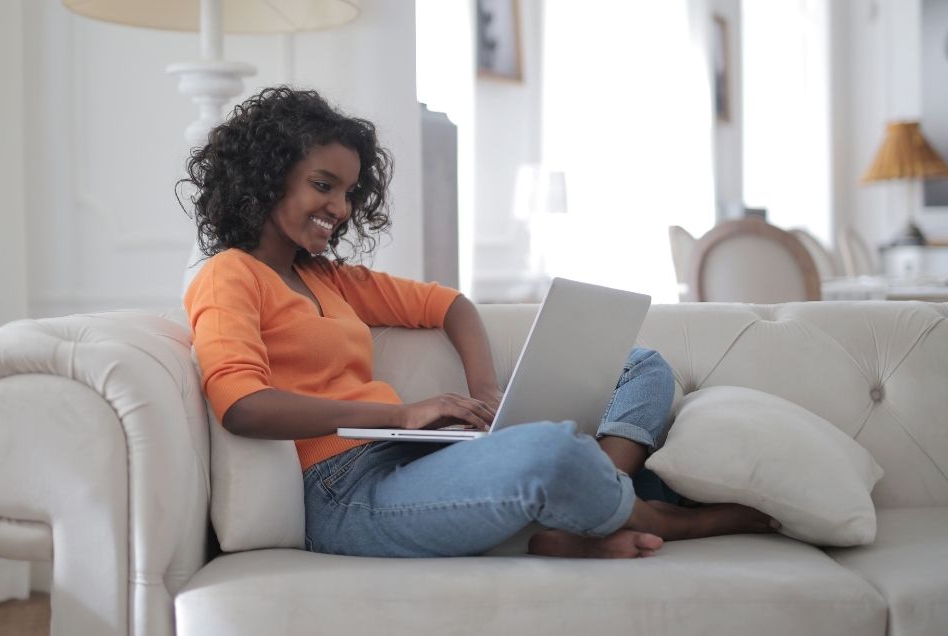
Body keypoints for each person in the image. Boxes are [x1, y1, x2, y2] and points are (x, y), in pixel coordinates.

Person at [181, 86, 776, 559]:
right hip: (343, 494)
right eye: (322, 185)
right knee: (547, 449)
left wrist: (486, 391)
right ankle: (649, 514)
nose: (339, 209)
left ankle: (585, 510)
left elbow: (451, 306)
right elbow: (243, 405)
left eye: (349, 192)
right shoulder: (228, 275)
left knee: (640, 363)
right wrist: (397, 415)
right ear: (265, 175)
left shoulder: (328, 278)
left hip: (410, 459)